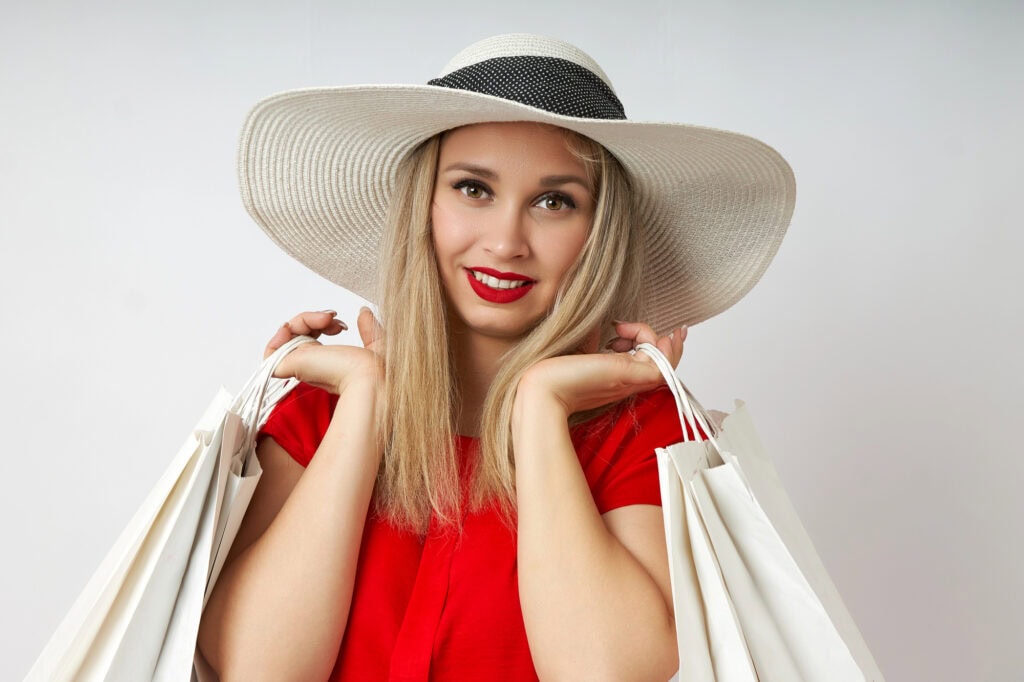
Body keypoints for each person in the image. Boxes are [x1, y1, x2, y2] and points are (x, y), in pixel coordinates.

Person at [197, 34, 794, 680]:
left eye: (554, 200)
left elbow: (607, 675)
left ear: (599, 233)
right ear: (425, 205)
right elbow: (252, 672)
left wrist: (539, 407)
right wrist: (368, 400)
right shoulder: (321, 414)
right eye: (473, 188)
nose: (507, 241)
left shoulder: (644, 434)